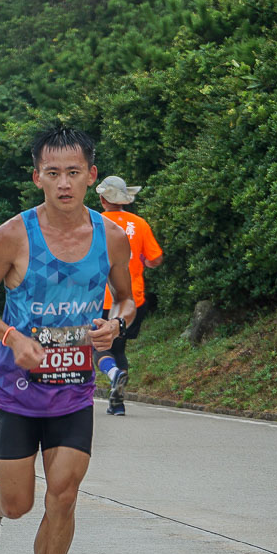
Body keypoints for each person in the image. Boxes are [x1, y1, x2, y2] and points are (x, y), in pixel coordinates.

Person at [0, 126, 135, 554]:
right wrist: (13, 338)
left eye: (74, 173)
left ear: (91, 176)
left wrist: (115, 323)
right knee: (19, 504)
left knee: (64, 492)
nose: (64, 183)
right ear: (37, 176)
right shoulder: (15, 234)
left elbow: (125, 298)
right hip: (17, 391)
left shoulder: (112, 238)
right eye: (53, 173)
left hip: (74, 390)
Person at [95, 176, 164, 416]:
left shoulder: (94, 222)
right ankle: (117, 403)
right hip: (132, 301)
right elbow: (155, 259)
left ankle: (113, 374)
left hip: (100, 298)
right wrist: (142, 260)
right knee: (119, 348)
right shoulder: (139, 224)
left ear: (103, 198)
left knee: (100, 345)